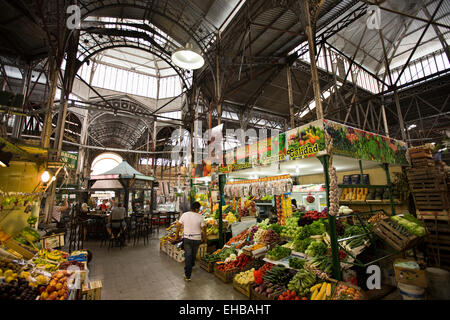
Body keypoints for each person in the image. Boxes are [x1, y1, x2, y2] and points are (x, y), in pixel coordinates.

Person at [175, 201, 206, 282]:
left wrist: (176, 235)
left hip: (187, 239)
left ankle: (187, 275)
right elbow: (204, 229)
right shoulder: (200, 217)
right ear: (196, 209)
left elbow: (178, 225)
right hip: (197, 239)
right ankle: (191, 266)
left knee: (188, 256)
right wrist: (204, 238)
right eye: (198, 209)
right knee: (193, 255)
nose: (199, 210)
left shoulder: (185, 214)